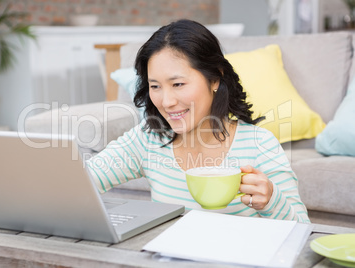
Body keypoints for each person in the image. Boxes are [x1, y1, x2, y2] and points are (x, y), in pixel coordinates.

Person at [87, 19, 310, 223]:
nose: (166, 102)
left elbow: (303, 228)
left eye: (178, 84)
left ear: (214, 78)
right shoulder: (148, 140)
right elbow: (83, 182)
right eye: (155, 86)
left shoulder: (260, 144)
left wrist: (271, 201)